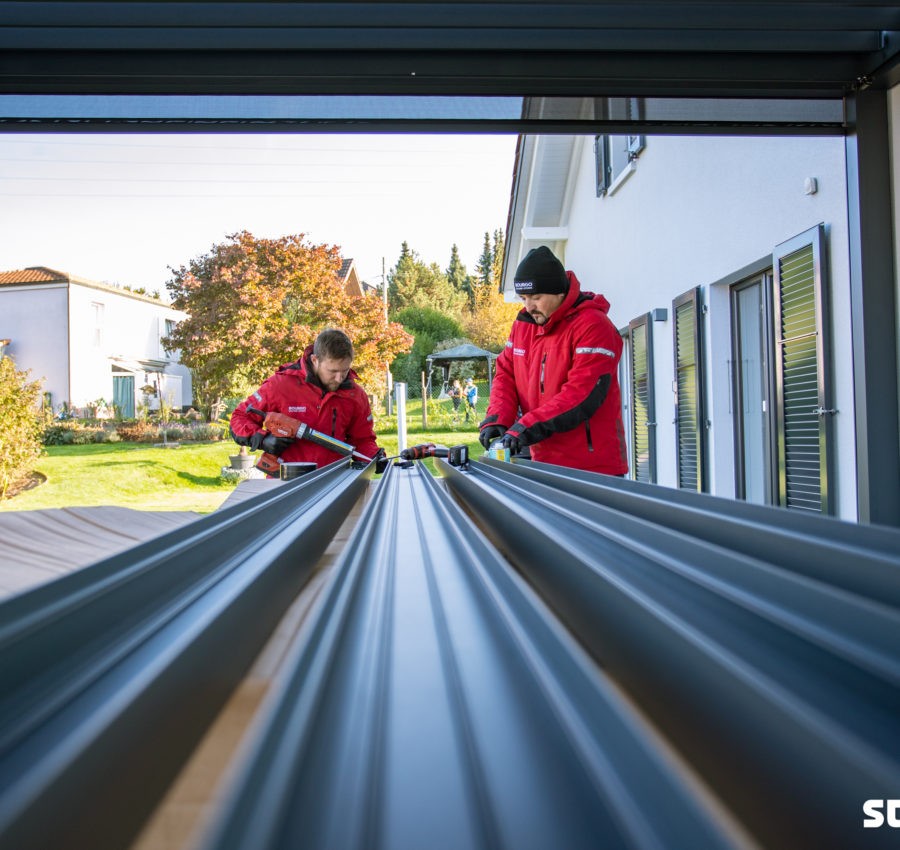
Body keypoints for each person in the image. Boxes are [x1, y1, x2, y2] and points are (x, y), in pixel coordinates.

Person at [478, 246, 628, 476]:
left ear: (559, 293)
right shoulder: (523, 325)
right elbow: (506, 373)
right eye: (524, 298)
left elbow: (581, 395)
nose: (529, 306)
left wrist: (527, 427)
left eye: (536, 297)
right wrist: (498, 417)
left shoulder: (593, 326)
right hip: (543, 460)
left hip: (591, 467)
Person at [230, 328, 388, 473]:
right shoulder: (281, 385)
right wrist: (264, 440)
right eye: (332, 371)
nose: (339, 378)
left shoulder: (355, 395)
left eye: (345, 370)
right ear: (315, 360)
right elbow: (239, 418)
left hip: (335, 480)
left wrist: (375, 457)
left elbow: (362, 440)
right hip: (285, 481)